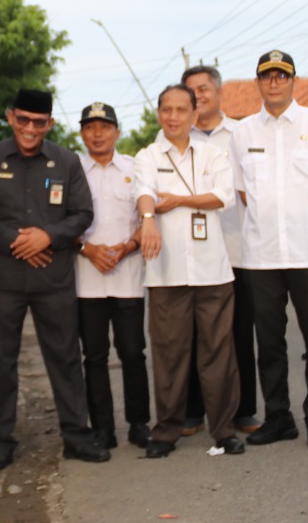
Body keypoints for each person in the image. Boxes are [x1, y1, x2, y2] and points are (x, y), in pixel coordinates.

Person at [0, 89, 109, 470]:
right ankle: (0, 439)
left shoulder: (66, 162)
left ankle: (77, 435)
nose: (30, 129)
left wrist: (47, 236)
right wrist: (16, 240)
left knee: (64, 357)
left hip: (53, 277)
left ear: (50, 124)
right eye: (23, 120)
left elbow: (82, 214)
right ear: (11, 117)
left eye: (39, 122)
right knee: (0, 359)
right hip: (3, 278)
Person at [231, 50, 308, 449]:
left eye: (282, 75)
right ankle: (278, 416)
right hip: (261, 254)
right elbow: (243, 191)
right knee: (269, 342)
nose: (275, 82)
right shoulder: (243, 133)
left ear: (294, 80)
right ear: (258, 83)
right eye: (267, 76)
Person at [135, 85, 245, 457]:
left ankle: (224, 430)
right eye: (166, 110)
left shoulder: (213, 154)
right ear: (158, 114)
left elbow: (222, 196)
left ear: (195, 113)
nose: (173, 117)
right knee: (169, 355)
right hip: (166, 275)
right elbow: (144, 192)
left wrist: (179, 200)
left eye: (182, 110)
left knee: (218, 353)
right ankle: (166, 431)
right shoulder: (148, 155)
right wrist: (149, 218)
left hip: (212, 271)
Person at [183, 64, 259, 433]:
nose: (198, 96)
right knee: (195, 335)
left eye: (203, 89)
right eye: (190, 91)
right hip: (193, 255)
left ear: (218, 92)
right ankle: (192, 411)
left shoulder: (241, 135)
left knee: (240, 334)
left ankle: (244, 410)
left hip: (237, 248)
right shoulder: (177, 139)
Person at [74, 102, 148, 450]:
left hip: (127, 274)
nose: (98, 134)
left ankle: (139, 423)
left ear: (117, 132)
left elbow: (147, 219)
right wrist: (87, 249)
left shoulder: (135, 169)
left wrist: (127, 246)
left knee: (133, 352)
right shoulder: (72, 171)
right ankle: (103, 427)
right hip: (86, 277)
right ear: (81, 133)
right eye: (90, 127)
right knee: (94, 356)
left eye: (105, 127)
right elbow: (59, 219)